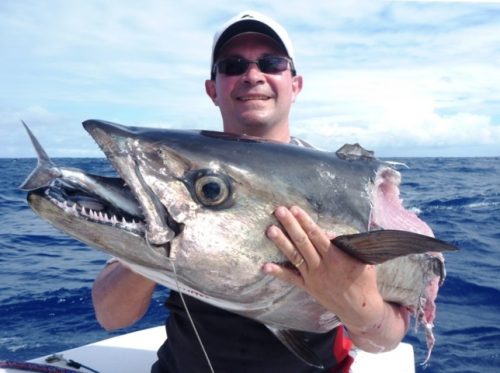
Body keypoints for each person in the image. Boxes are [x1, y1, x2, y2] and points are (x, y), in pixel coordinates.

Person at [92, 10, 412, 372]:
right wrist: (163, 238)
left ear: (296, 84)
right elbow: (111, 315)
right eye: (232, 65)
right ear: (213, 89)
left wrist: (356, 302)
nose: (253, 75)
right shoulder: (174, 177)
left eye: (272, 63)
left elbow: (384, 340)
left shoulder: (346, 187)